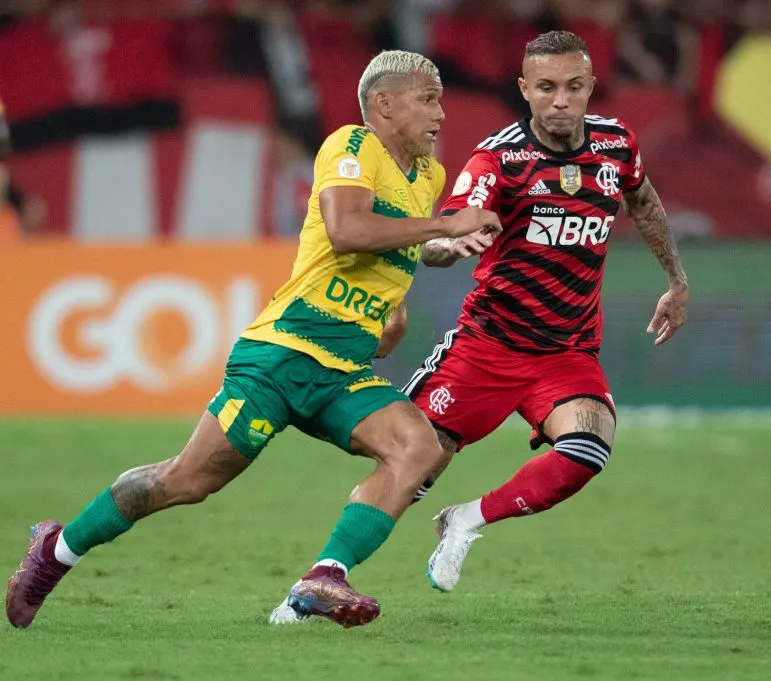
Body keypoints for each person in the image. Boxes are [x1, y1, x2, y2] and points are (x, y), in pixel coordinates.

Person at [6, 50, 500, 630]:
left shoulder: (430, 176)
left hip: (342, 367)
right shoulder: (352, 146)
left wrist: (435, 255)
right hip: (282, 354)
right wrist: (445, 225)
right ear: (383, 105)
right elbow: (345, 231)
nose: (441, 112)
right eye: (427, 98)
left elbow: (399, 243)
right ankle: (56, 550)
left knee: (418, 446)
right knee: (184, 482)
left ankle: (325, 577)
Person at [270, 30, 688, 622]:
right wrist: (453, 240)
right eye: (546, 88)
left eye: (573, 87)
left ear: (591, 86)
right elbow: (447, 231)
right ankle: (318, 582)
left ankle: (468, 519)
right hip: (485, 349)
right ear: (525, 90)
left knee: (589, 448)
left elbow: (643, 203)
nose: (561, 100)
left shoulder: (617, 145)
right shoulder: (500, 158)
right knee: (409, 467)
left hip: (566, 353)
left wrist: (676, 279)